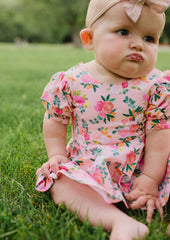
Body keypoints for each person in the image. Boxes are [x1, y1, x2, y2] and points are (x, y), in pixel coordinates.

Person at [36, 0, 170, 239]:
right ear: (89, 39)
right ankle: (118, 222)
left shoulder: (156, 86)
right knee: (58, 178)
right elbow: (55, 118)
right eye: (123, 32)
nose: (138, 44)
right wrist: (57, 154)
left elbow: (160, 133)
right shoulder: (71, 81)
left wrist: (151, 178)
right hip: (91, 165)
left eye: (150, 38)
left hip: (146, 162)